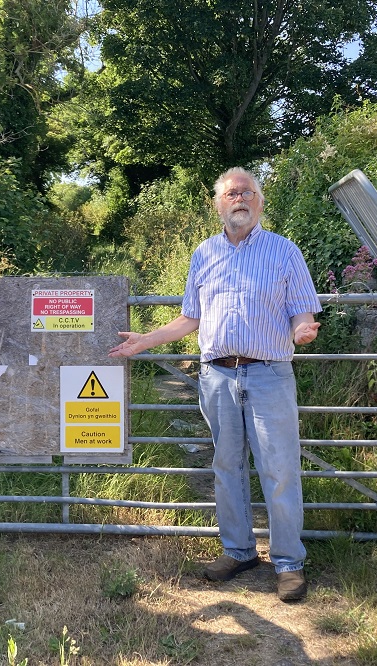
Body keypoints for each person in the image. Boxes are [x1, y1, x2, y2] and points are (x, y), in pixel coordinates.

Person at [109, 167, 321, 602]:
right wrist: (146, 340)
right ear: (218, 204)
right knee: (227, 469)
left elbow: (302, 309)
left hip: (269, 374)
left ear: (259, 202)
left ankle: (288, 562)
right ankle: (239, 551)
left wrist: (302, 329)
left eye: (246, 192)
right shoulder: (204, 254)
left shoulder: (285, 252)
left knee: (279, 470)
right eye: (230, 193)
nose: (238, 198)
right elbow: (191, 318)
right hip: (218, 375)